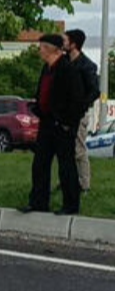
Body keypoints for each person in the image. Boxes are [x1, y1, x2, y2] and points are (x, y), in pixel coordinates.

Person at [22, 34, 87, 215]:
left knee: (66, 165)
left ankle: (71, 205)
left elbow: (78, 100)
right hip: (47, 122)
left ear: (52, 49)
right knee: (40, 163)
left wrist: (67, 122)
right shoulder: (47, 68)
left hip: (62, 125)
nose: (39, 50)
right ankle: (38, 202)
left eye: (42, 46)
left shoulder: (68, 70)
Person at [63, 29, 101, 193]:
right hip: (64, 113)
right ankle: (69, 180)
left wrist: (81, 105)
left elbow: (94, 91)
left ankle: (84, 184)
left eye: (65, 40)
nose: (62, 43)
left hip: (79, 114)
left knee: (79, 149)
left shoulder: (87, 66)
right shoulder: (64, 62)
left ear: (73, 44)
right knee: (65, 149)